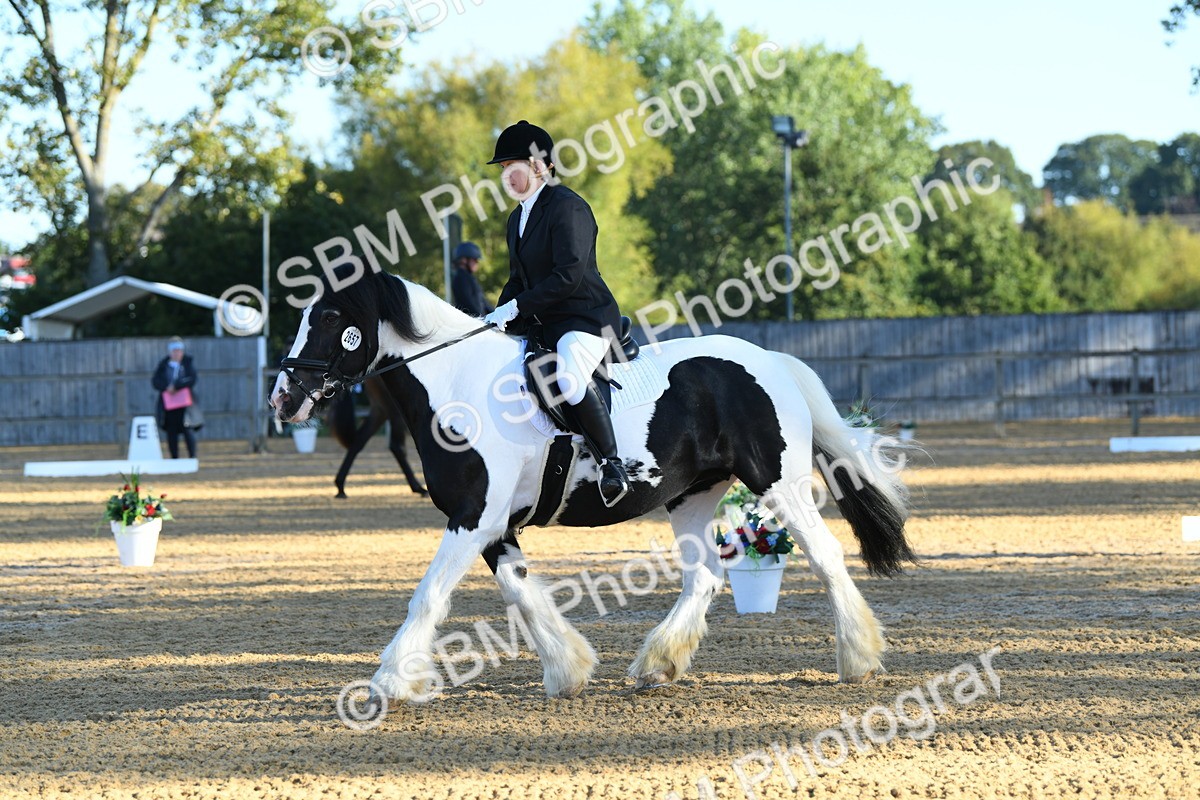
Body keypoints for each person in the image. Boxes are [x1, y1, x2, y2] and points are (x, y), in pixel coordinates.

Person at [483, 120, 629, 506]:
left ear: (538, 166)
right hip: (544, 321)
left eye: (511, 167)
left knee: (568, 376)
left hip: (585, 318)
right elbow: (518, 279)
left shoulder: (568, 206)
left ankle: (611, 464)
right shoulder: (517, 218)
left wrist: (518, 306)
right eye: (502, 169)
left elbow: (568, 275)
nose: (505, 176)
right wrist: (495, 316)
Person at [152, 336, 198, 458]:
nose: (177, 353)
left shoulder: (187, 364)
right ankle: (174, 458)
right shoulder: (163, 365)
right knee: (171, 431)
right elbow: (155, 381)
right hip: (169, 404)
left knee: (187, 429)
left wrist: (176, 386)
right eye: (174, 351)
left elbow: (192, 379)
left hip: (185, 405)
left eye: (179, 351)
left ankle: (192, 457)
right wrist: (167, 387)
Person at [450, 241, 493, 316]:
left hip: (479, 319)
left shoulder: (469, 278)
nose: (477, 262)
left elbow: (483, 302)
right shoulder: (461, 279)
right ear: (464, 260)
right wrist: (482, 319)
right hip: (471, 321)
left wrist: (494, 314)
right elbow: (469, 304)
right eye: (474, 259)